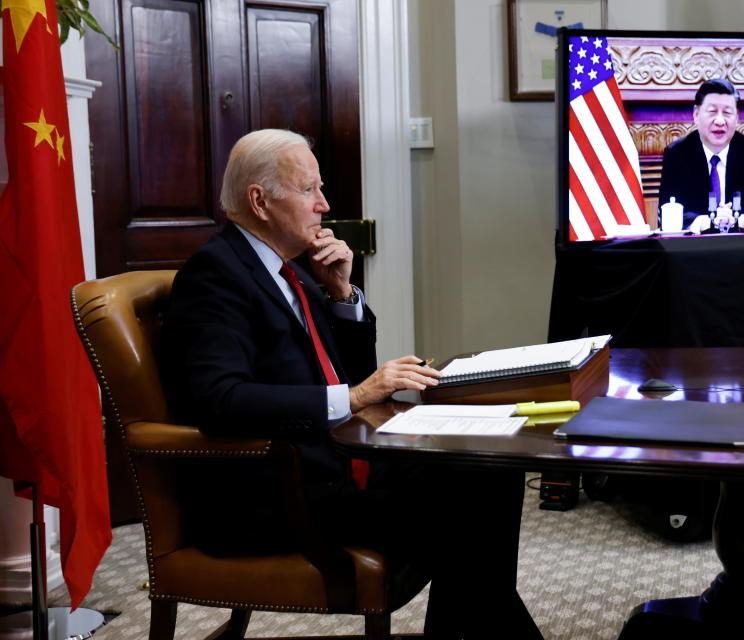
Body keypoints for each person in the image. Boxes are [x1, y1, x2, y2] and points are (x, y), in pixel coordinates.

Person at [159, 129, 543, 639]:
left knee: (489, 467)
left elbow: (347, 370)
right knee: (466, 513)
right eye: (308, 190)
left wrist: (341, 294)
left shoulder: (290, 269)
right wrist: (358, 396)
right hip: (279, 492)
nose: (324, 204)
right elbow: (218, 399)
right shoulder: (216, 274)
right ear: (260, 201)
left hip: (335, 466)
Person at [658, 78, 744, 233]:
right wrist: (707, 222)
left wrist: (739, 221)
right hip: (694, 250)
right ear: (696, 114)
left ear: (737, 117)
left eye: (727, 113)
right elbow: (667, 212)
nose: (720, 121)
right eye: (712, 112)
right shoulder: (677, 154)